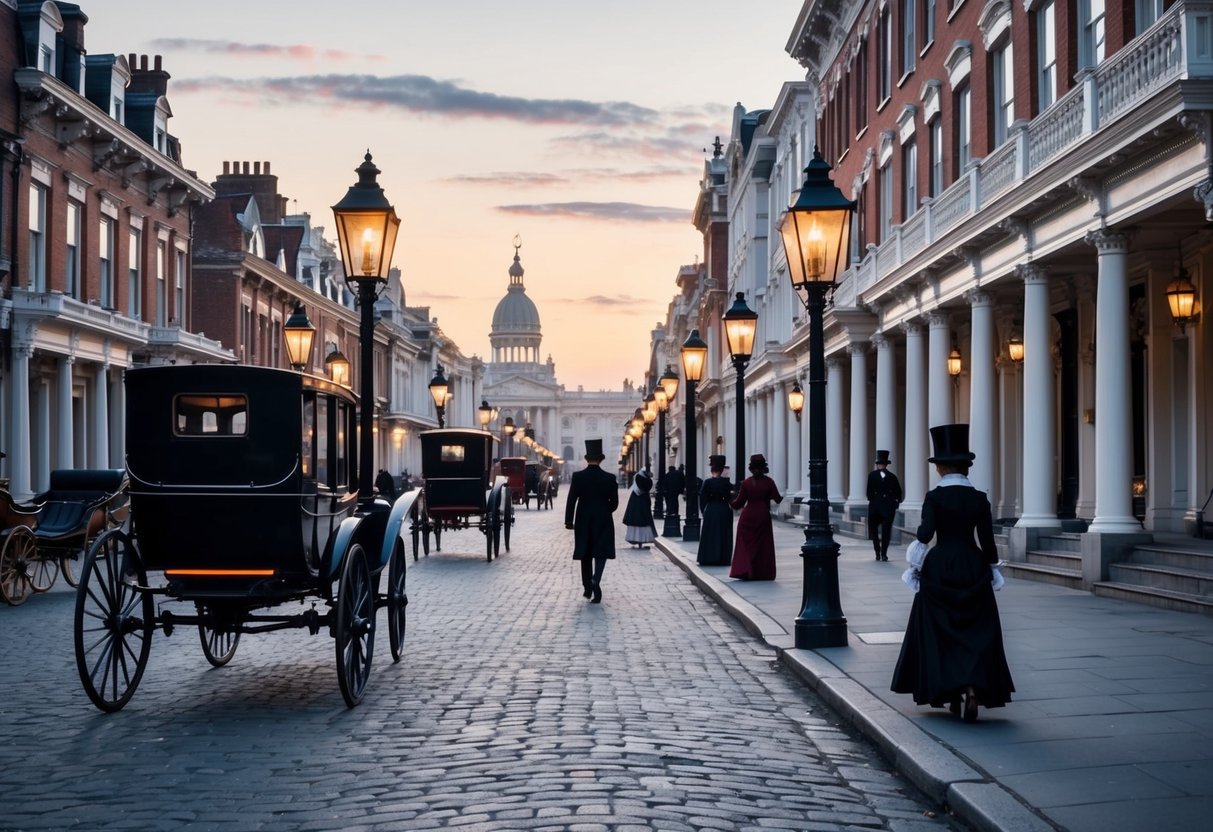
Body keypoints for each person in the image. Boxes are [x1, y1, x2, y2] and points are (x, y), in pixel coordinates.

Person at [891, 424, 1015, 723]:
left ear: (942, 468)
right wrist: (991, 569)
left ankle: (950, 689)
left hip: (942, 563)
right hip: (972, 562)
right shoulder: (979, 499)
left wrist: (915, 563)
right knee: (976, 629)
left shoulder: (934, 497)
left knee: (940, 630)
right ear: (965, 467)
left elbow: (925, 533)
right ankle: (973, 687)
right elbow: (987, 542)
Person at [564, 439, 619, 603]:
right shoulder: (609, 478)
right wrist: (604, 511)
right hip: (603, 520)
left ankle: (587, 587)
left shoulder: (578, 476)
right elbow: (615, 503)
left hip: (583, 519)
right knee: (600, 552)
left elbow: (571, 499)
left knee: (585, 552)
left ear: (586, 458)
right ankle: (596, 579)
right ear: (601, 459)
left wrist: (569, 521)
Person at [728, 454, 782, 580]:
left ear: (751, 468)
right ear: (764, 468)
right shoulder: (769, 482)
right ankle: (762, 572)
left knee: (746, 545)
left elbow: (738, 503)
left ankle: (746, 570)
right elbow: (778, 499)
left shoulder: (746, 483)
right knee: (763, 545)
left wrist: (728, 500)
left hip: (748, 516)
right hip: (763, 515)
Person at [867, 449, 903, 561]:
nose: (879, 465)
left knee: (880, 532)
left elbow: (868, 493)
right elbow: (898, 493)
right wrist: (894, 503)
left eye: (880, 464)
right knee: (880, 532)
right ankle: (881, 553)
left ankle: (880, 553)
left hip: (880, 508)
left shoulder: (877, 476)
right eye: (880, 464)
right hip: (882, 508)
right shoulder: (888, 476)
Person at [697, 455, 733, 566]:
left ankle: (709, 556)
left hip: (711, 509)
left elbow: (703, 498)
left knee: (710, 533)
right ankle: (723, 557)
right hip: (723, 508)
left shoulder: (707, 482)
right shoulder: (727, 483)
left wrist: (703, 511)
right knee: (723, 534)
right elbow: (730, 498)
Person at [622, 467, 657, 549]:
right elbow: (648, 486)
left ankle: (636, 540)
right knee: (644, 521)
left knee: (635, 519)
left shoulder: (636, 487)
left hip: (636, 502)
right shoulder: (647, 482)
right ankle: (641, 541)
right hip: (644, 501)